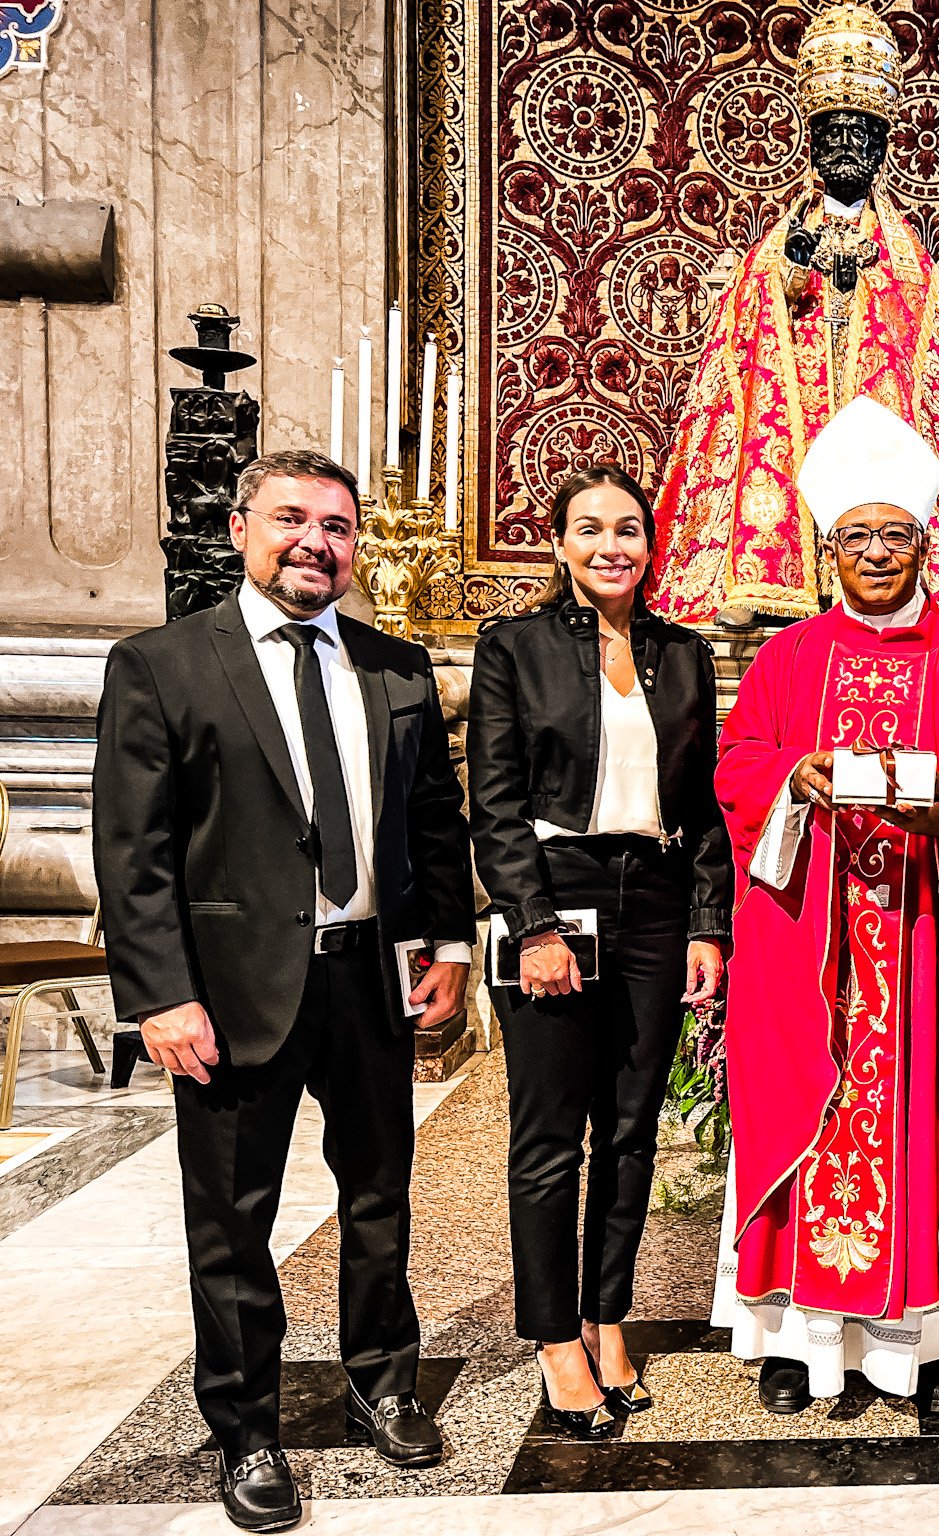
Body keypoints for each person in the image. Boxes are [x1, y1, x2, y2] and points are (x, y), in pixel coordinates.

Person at [92, 451, 474, 1532]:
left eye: (338, 527)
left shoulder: (396, 669)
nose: (317, 541)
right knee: (232, 1222)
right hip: (227, 991)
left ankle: (381, 1378)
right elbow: (135, 849)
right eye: (293, 519)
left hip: (366, 978)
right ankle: (246, 1428)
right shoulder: (163, 664)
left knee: (379, 1197)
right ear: (240, 526)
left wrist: (445, 941)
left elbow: (433, 828)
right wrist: (161, 994)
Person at [711, 396, 939, 1415]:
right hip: (806, 951)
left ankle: (922, 1348)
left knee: (919, 1136)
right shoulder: (785, 660)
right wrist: (790, 779)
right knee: (798, 1119)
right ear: (830, 548)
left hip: (924, 954)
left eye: (892, 535)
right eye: (854, 536)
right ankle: (792, 1343)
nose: (873, 553)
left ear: (921, 542)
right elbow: (736, 767)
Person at [468, 464, 734, 1439]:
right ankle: (552, 1339)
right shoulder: (515, 648)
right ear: (560, 545)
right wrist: (531, 922)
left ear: (651, 545)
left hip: (657, 901)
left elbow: (702, 805)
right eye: (590, 528)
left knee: (629, 1134)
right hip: (558, 893)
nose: (611, 545)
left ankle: (605, 1315)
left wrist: (709, 924)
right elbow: (492, 804)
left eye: (628, 528)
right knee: (549, 1138)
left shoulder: (683, 654)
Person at [647, 2, 939, 632]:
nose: (847, 149)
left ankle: (895, 568)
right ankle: (770, 572)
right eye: (833, 136)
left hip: (871, 405)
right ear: (812, 146)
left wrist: (865, 285)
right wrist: (788, 279)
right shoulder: (776, 242)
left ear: (882, 148)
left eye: (862, 135)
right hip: (795, 407)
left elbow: (926, 366)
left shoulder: (911, 261)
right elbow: (743, 348)